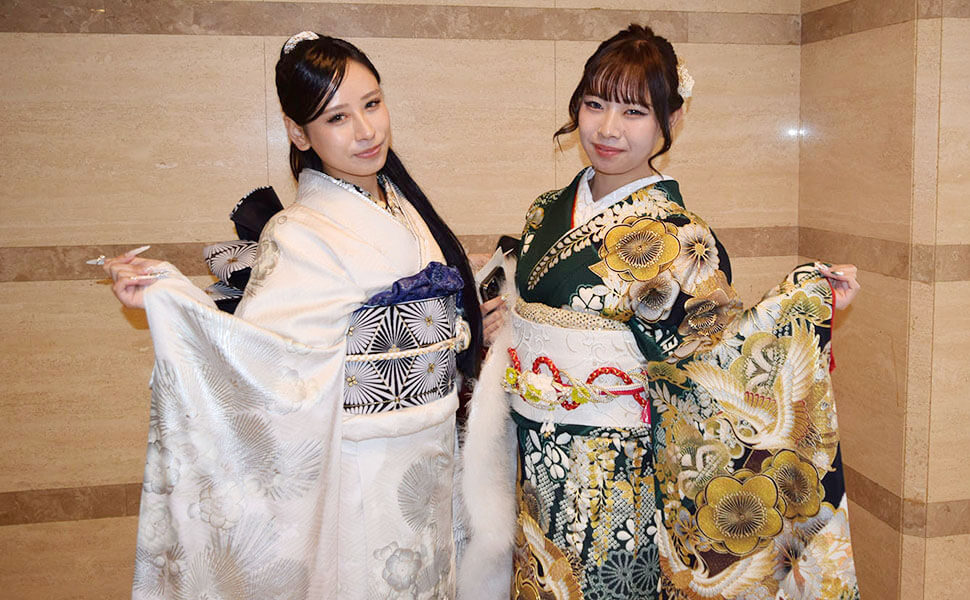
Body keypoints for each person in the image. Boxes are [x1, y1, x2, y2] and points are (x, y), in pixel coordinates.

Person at [459, 24, 861, 600]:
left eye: (634, 111)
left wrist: (806, 307)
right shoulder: (546, 210)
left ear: (671, 119)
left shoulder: (679, 237)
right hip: (532, 460)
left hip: (617, 477)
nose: (608, 128)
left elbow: (723, 356)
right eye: (595, 104)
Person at [103, 32, 503, 599]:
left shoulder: (402, 205)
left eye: (372, 104)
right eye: (337, 117)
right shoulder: (298, 233)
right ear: (298, 132)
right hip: (363, 469)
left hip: (430, 459)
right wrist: (171, 299)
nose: (366, 130)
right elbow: (261, 366)